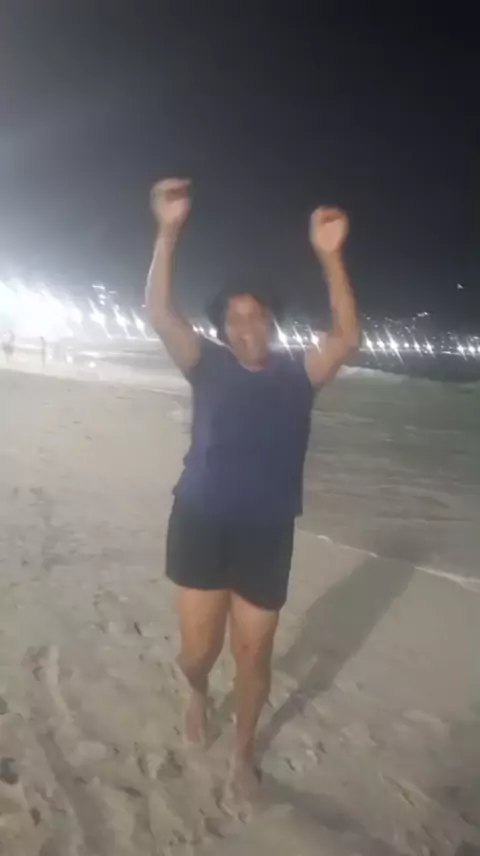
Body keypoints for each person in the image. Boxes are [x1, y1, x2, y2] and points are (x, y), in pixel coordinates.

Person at [146, 178, 358, 798]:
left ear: (269, 322)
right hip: (201, 521)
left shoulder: (299, 374)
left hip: (267, 533)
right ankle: (194, 690)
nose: (246, 325)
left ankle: (242, 753)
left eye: (255, 315)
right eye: (234, 317)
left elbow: (346, 337)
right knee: (198, 652)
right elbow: (160, 313)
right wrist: (168, 230)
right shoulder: (205, 363)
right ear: (222, 327)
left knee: (252, 655)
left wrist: (330, 256)